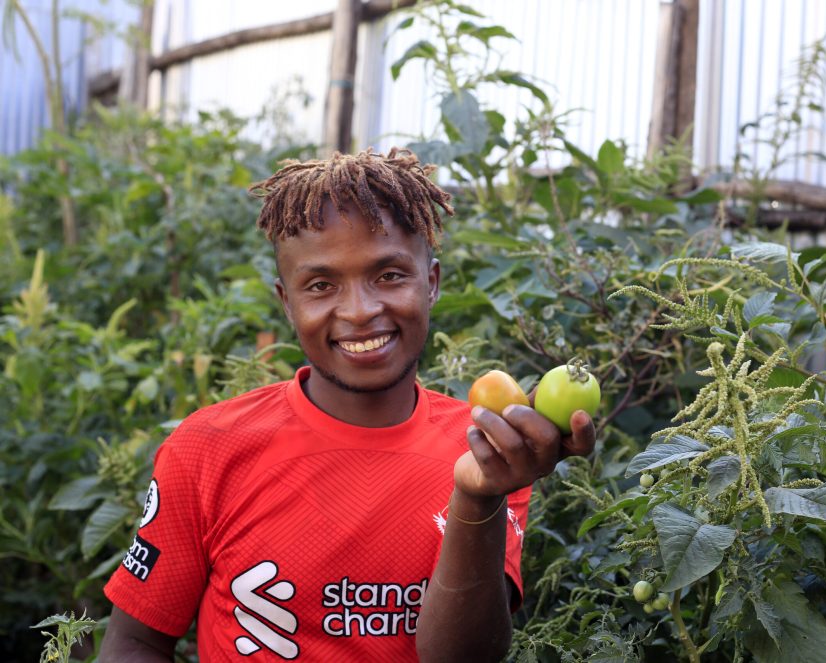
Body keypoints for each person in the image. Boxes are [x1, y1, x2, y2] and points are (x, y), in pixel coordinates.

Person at [99, 148, 596, 662]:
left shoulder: (486, 448)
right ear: (286, 302)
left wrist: (478, 495)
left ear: (431, 283)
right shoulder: (207, 448)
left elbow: (462, 658)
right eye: (320, 285)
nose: (360, 311)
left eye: (389, 276)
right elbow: (134, 643)